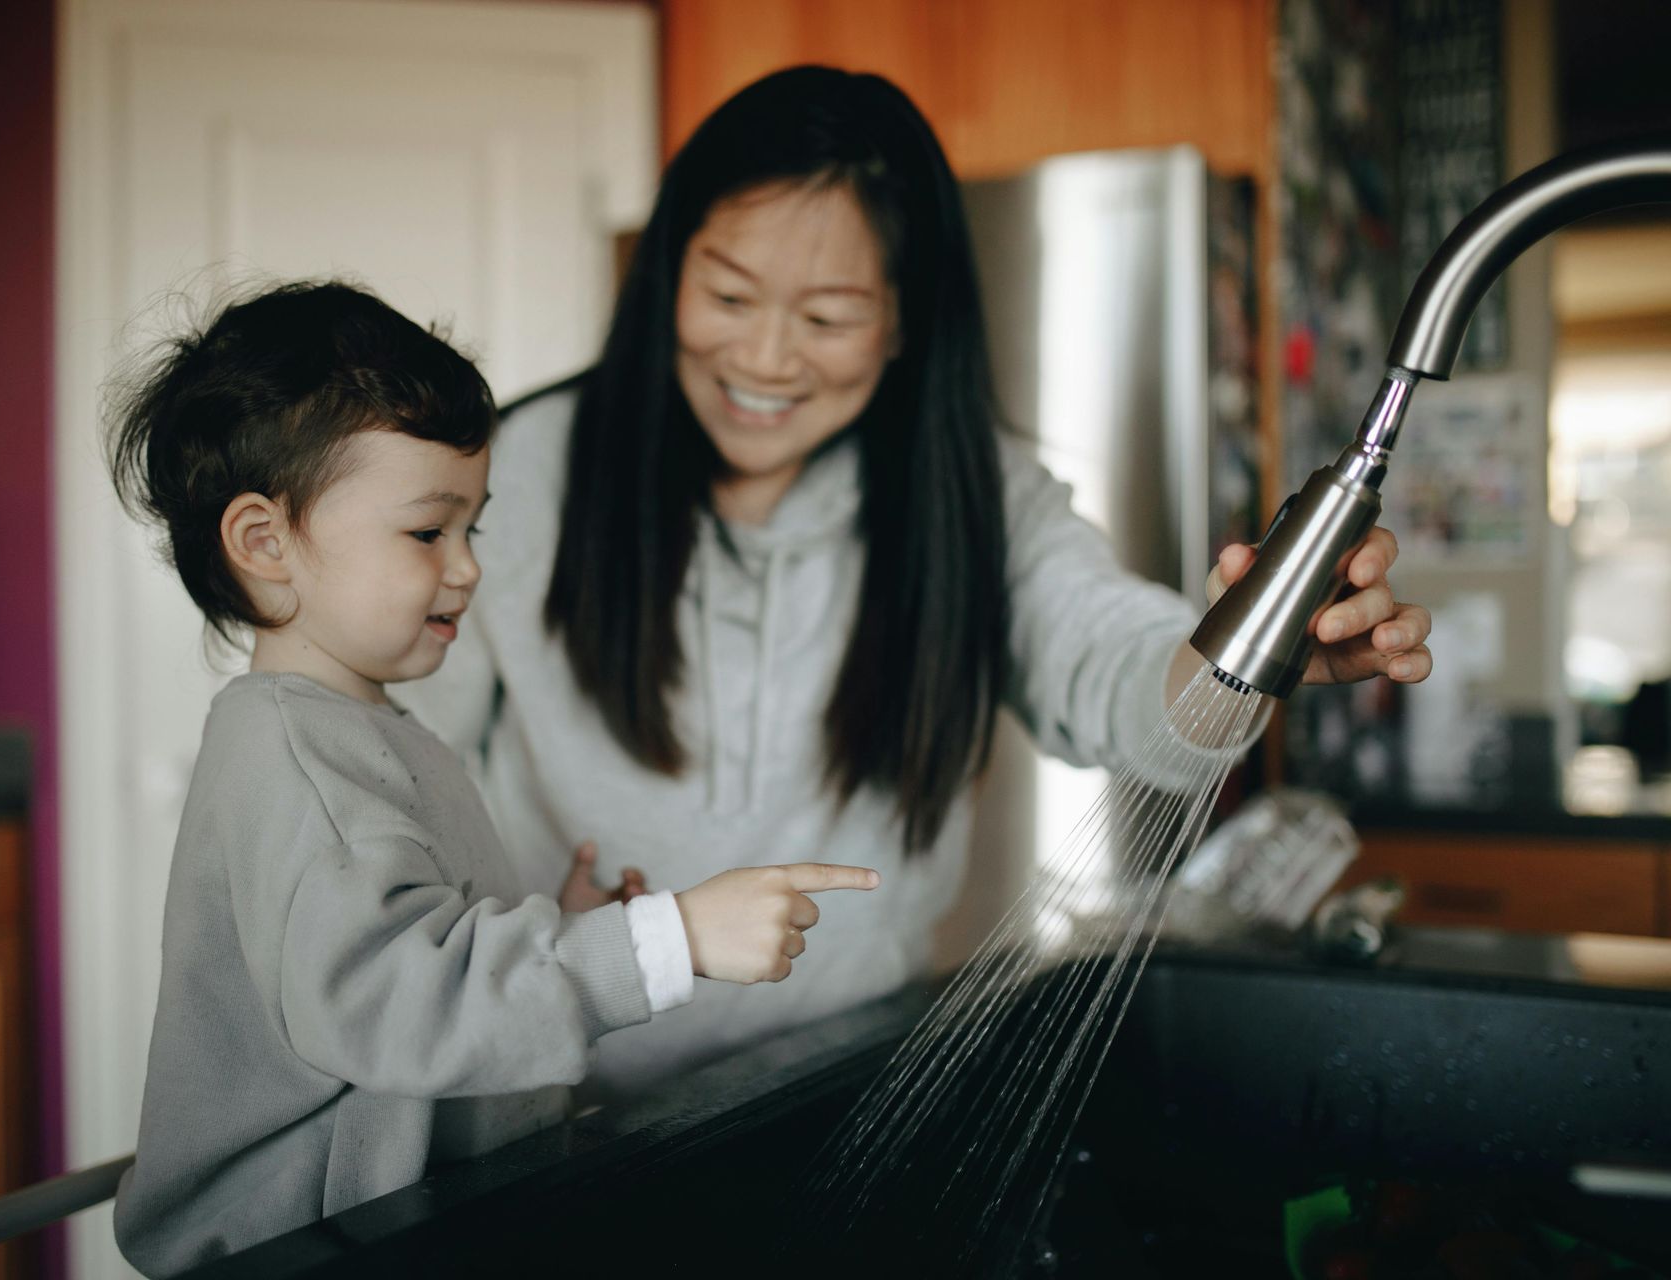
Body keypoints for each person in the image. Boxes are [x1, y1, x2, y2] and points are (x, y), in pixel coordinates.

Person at [399, 66, 1435, 1097]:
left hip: (833, 1094)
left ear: (902, 322)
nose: (761, 358)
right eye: (727, 294)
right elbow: (399, 781)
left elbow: (1124, 679)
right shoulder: (520, 474)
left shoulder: (974, 494)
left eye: (827, 316)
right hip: (541, 1112)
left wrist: (1251, 652)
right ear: (668, 272)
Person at [103, 281, 880, 1274]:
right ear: (266, 543)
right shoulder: (297, 760)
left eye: (472, 527)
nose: (468, 567)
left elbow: (408, 940)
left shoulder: (363, 728)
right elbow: (401, 1003)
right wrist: (665, 940)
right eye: (429, 532)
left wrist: (548, 912)